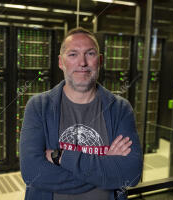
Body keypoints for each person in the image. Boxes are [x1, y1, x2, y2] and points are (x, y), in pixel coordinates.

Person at [20, 27, 143, 200]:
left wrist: (61, 157)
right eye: (73, 54)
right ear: (61, 62)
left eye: (90, 54)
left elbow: (130, 173)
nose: (82, 63)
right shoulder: (38, 106)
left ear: (99, 60)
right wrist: (105, 170)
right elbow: (32, 173)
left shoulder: (120, 109)